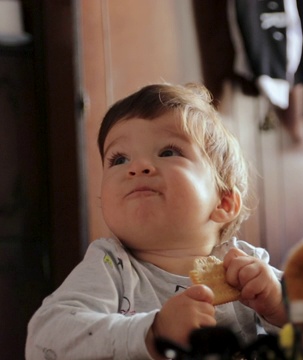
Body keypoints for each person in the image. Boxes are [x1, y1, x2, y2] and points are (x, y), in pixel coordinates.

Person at [26, 83, 287, 359]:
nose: (137, 167)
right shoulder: (110, 266)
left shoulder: (247, 266)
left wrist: (280, 307)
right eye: (119, 159)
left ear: (223, 202)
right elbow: (44, 342)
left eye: (168, 152)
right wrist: (152, 332)